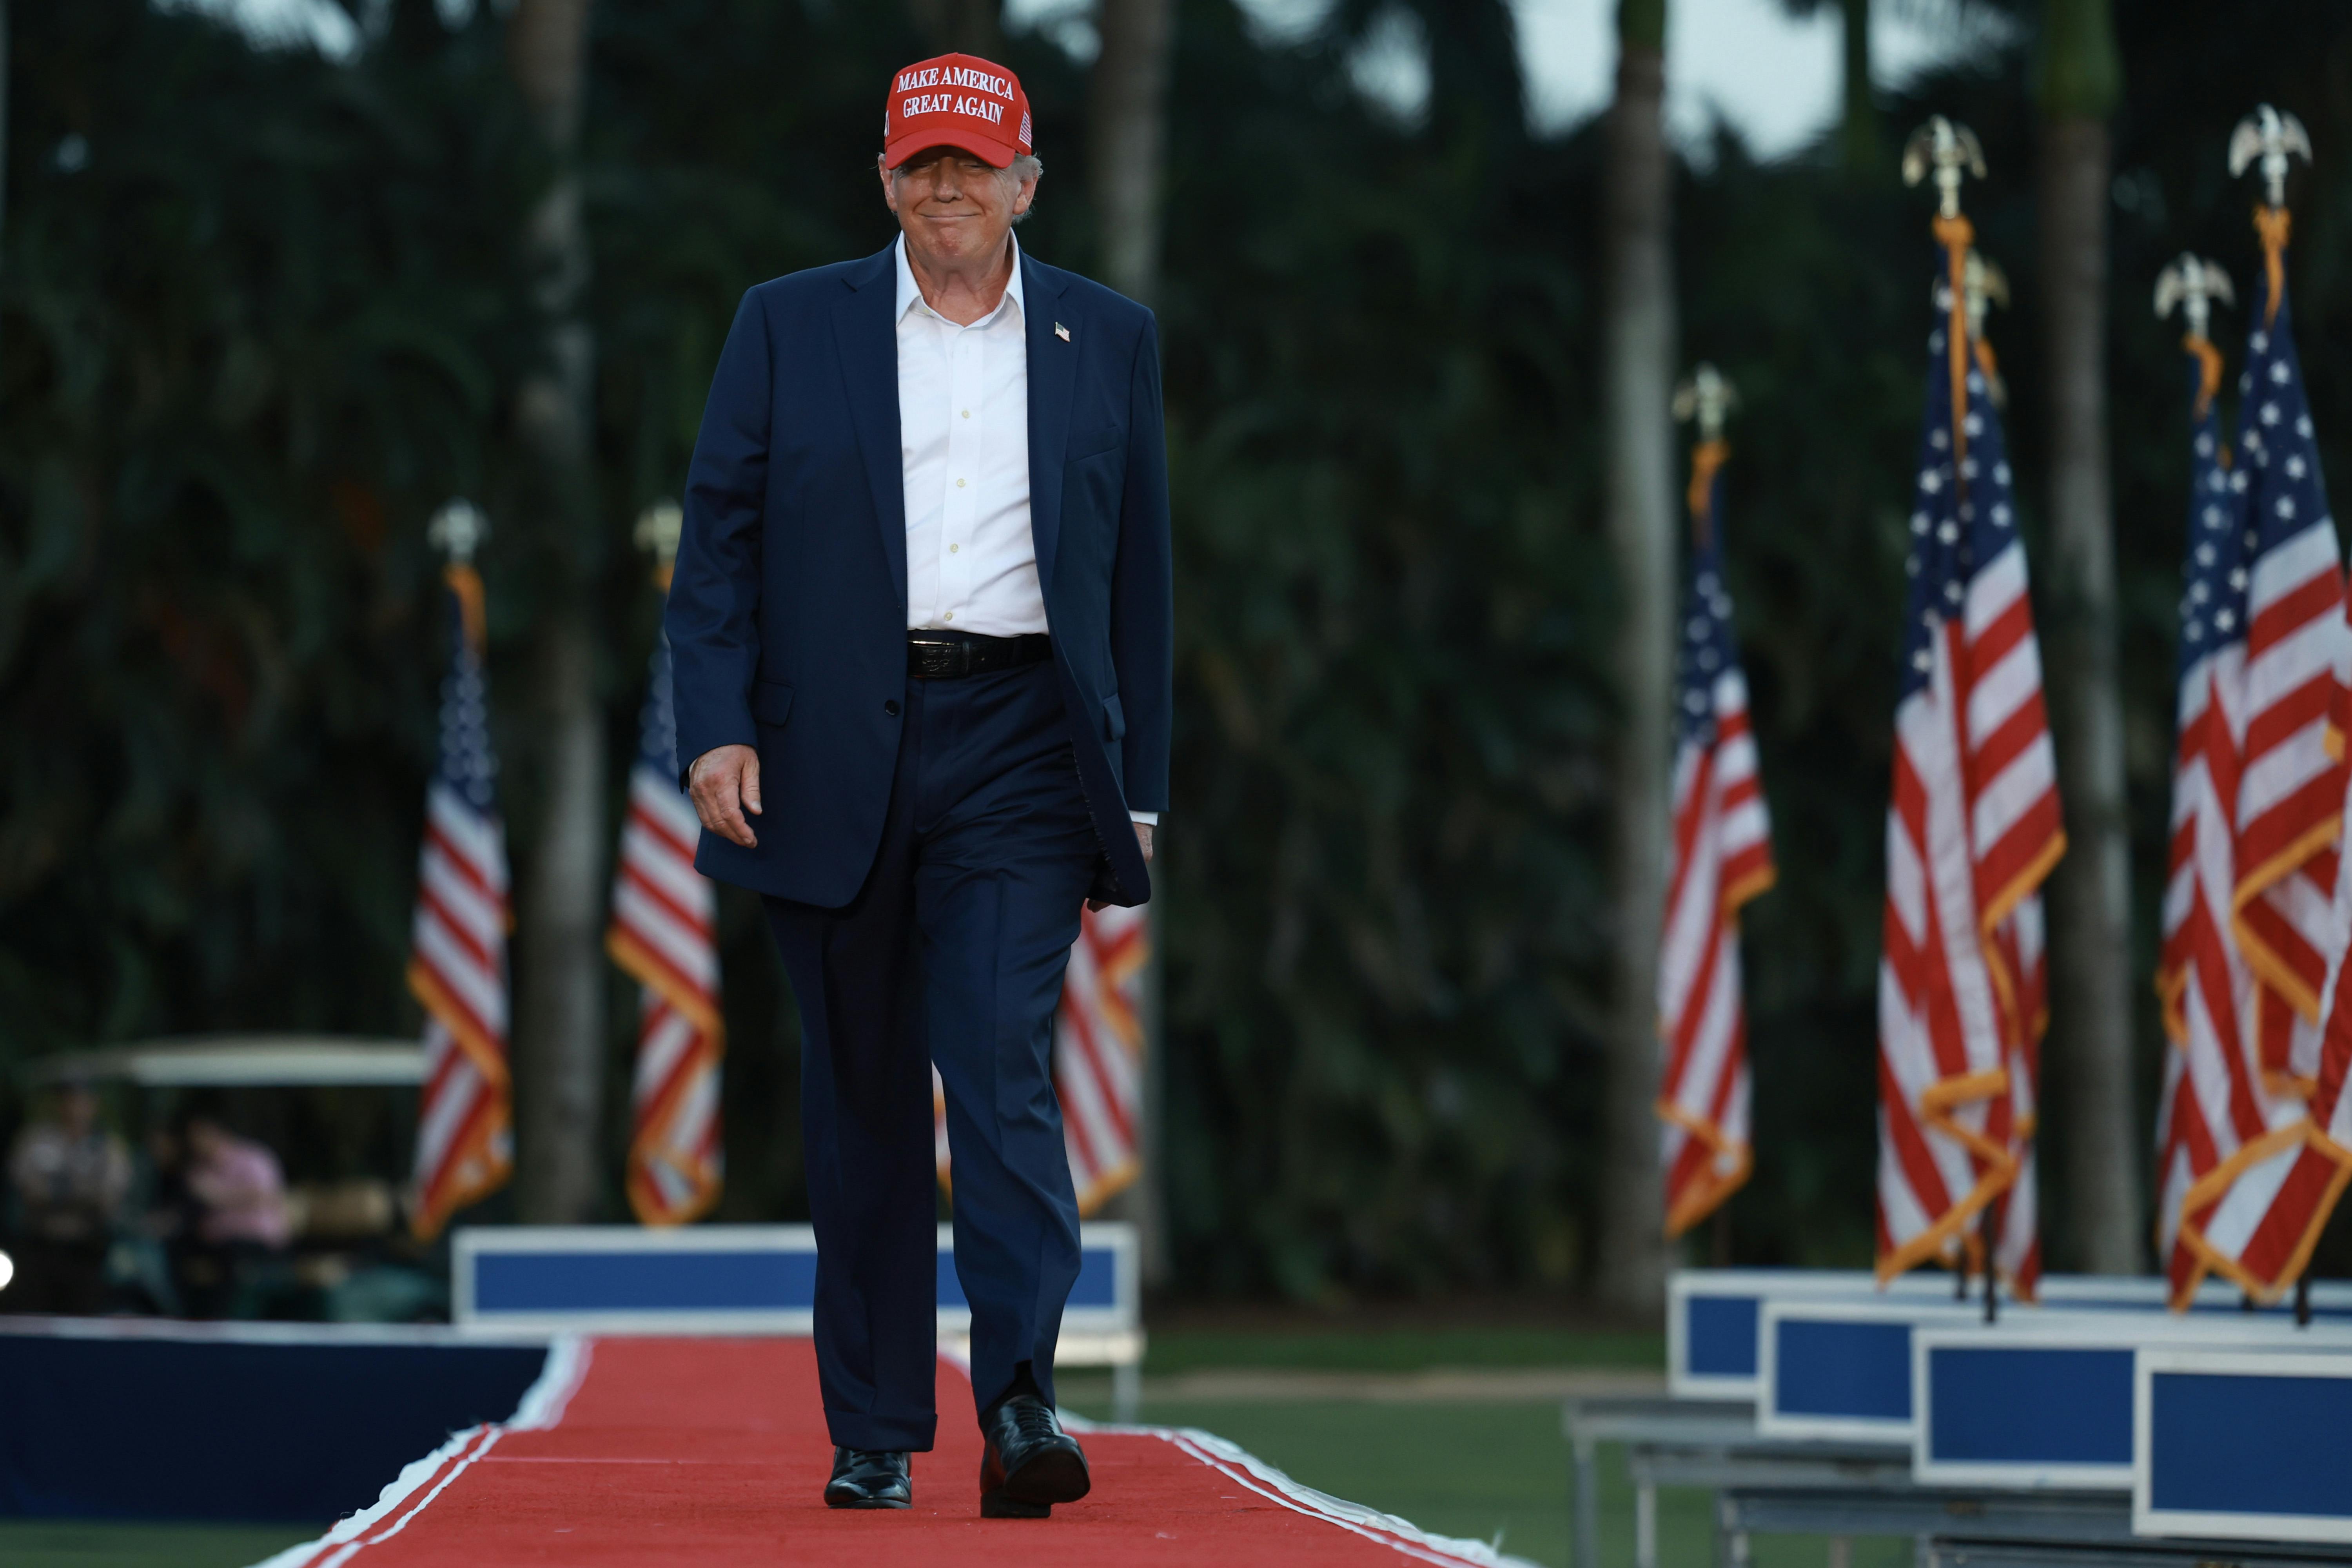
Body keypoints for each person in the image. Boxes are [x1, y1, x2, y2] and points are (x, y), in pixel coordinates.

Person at [666, 52, 1170, 1518]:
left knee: (1000, 1070)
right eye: (919, 163)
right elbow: (718, 548)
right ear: (884, 178)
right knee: (864, 1093)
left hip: (1022, 742)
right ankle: (876, 1424)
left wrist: (1134, 783)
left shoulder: (1106, 336)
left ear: (1026, 181)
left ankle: (1019, 1401)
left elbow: (1136, 573)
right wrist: (714, 728)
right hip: (828, 754)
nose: (945, 185)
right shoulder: (784, 323)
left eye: (973, 163)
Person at [5, 1082, 131, 1314]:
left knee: (83, 1321)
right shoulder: (36, 1140)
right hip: (39, 1247)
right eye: (70, 1100)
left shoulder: (108, 1146)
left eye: (83, 1100)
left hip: (86, 1251)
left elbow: (107, 1199)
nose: (76, 1107)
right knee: (34, 1318)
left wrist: (58, 1193)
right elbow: (29, 1190)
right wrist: (80, 1192)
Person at [176, 1114, 292, 1318]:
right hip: (215, 1242)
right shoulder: (199, 1169)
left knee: (232, 1262)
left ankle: (228, 1323)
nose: (196, 1143)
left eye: (201, 1135)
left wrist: (219, 1197)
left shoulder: (254, 1158)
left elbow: (264, 1196)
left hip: (257, 1241)